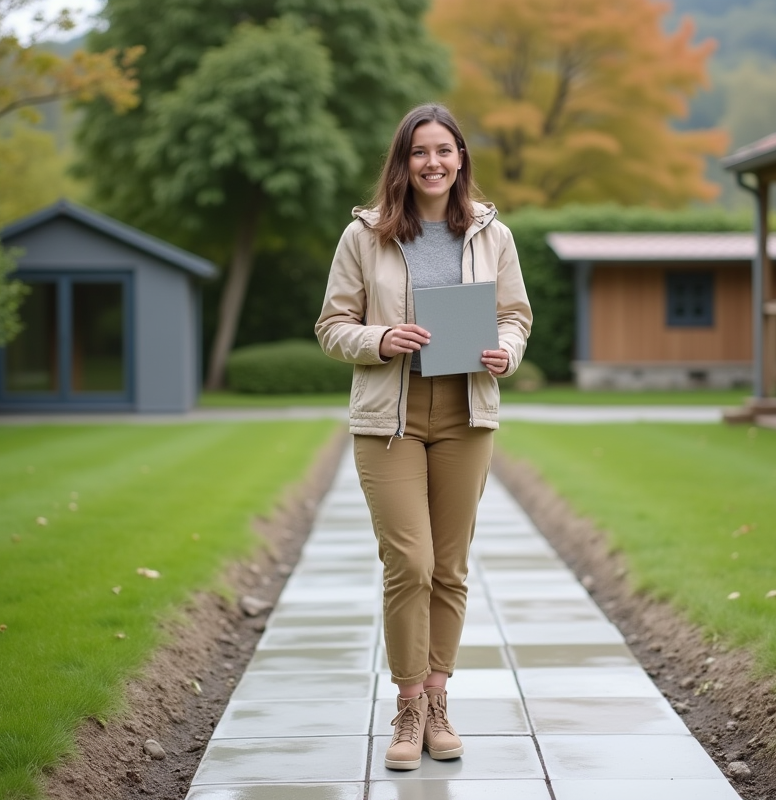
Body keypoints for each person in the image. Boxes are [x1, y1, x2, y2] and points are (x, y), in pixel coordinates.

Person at [315, 103, 532, 770]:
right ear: (402, 162)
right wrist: (381, 339)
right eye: (419, 152)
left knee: (451, 565)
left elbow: (515, 317)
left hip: (467, 413)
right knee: (409, 562)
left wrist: (504, 350)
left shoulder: (493, 235)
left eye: (444, 150)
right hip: (391, 418)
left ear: (461, 157)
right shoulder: (366, 235)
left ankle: (440, 699)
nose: (433, 162)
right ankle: (407, 708)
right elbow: (331, 326)